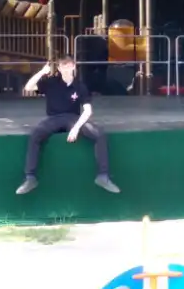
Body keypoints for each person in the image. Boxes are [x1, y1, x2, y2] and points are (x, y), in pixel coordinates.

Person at [16, 55, 120, 195]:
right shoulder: (50, 83)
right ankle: (30, 178)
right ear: (59, 68)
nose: (66, 68)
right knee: (35, 135)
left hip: (73, 119)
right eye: (63, 66)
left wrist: (76, 128)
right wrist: (42, 72)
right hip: (53, 118)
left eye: (69, 65)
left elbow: (88, 111)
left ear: (74, 67)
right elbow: (28, 87)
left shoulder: (80, 86)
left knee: (99, 133)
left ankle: (103, 176)